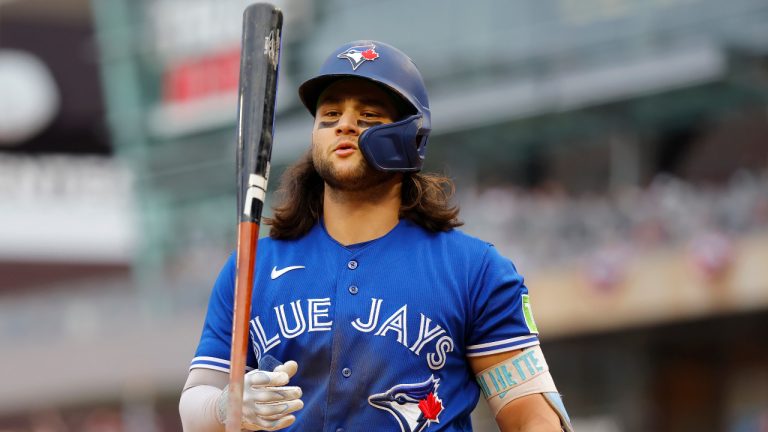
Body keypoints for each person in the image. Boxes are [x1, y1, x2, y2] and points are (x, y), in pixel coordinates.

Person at [179, 40, 574, 432]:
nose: (344, 125)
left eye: (368, 115)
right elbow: (195, 402)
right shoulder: (252, 267)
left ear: (412, 137)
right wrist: (226, 406)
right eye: (330, 114)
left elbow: (533, 417)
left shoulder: (474, 270)